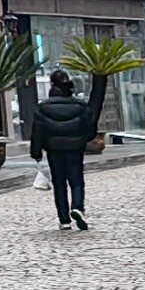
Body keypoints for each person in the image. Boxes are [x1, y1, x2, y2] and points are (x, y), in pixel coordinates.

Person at [24, 66, 104, 230]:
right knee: (76, 181)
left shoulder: (43, 108)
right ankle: (77, 207)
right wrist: (83, 140)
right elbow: (89, 127)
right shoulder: (80, 107)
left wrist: (36, 152)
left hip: (54, 150)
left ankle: (64, 220)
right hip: (75, 148)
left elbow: (38, 131)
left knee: (59, 183)